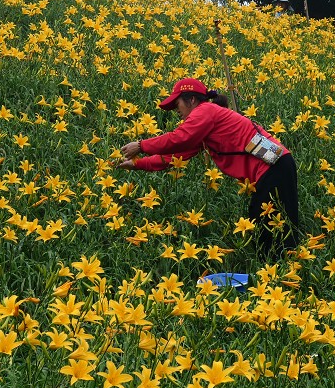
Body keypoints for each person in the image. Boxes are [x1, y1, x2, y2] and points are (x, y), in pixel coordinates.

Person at [119, 78, 301, 261]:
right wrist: (137, 164)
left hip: (275, 165)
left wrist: (142, 145)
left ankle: (278, 271)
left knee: (269, 225)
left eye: (178, 105)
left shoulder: (206, 110)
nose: (177, 112)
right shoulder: (208, 120)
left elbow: (180, 138)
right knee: (270, 223)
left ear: (191, 100)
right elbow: (174, 156)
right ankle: (279, 268)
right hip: (276, 163)